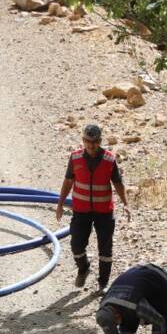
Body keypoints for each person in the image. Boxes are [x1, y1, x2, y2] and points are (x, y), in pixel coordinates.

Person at [56, 123, 131, 291]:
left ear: (100, 141)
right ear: (83, 140)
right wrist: (60, 204)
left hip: (104, 212)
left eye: (95, 141)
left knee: (105, 249)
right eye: (88, 141)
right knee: (76, 245)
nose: (91, 145)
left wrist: (126, 203)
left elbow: (117, 183)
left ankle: (103, 283)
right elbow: (68, 181)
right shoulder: (75, 158)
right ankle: (83, 268)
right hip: (81, 211)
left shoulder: (109, 159)